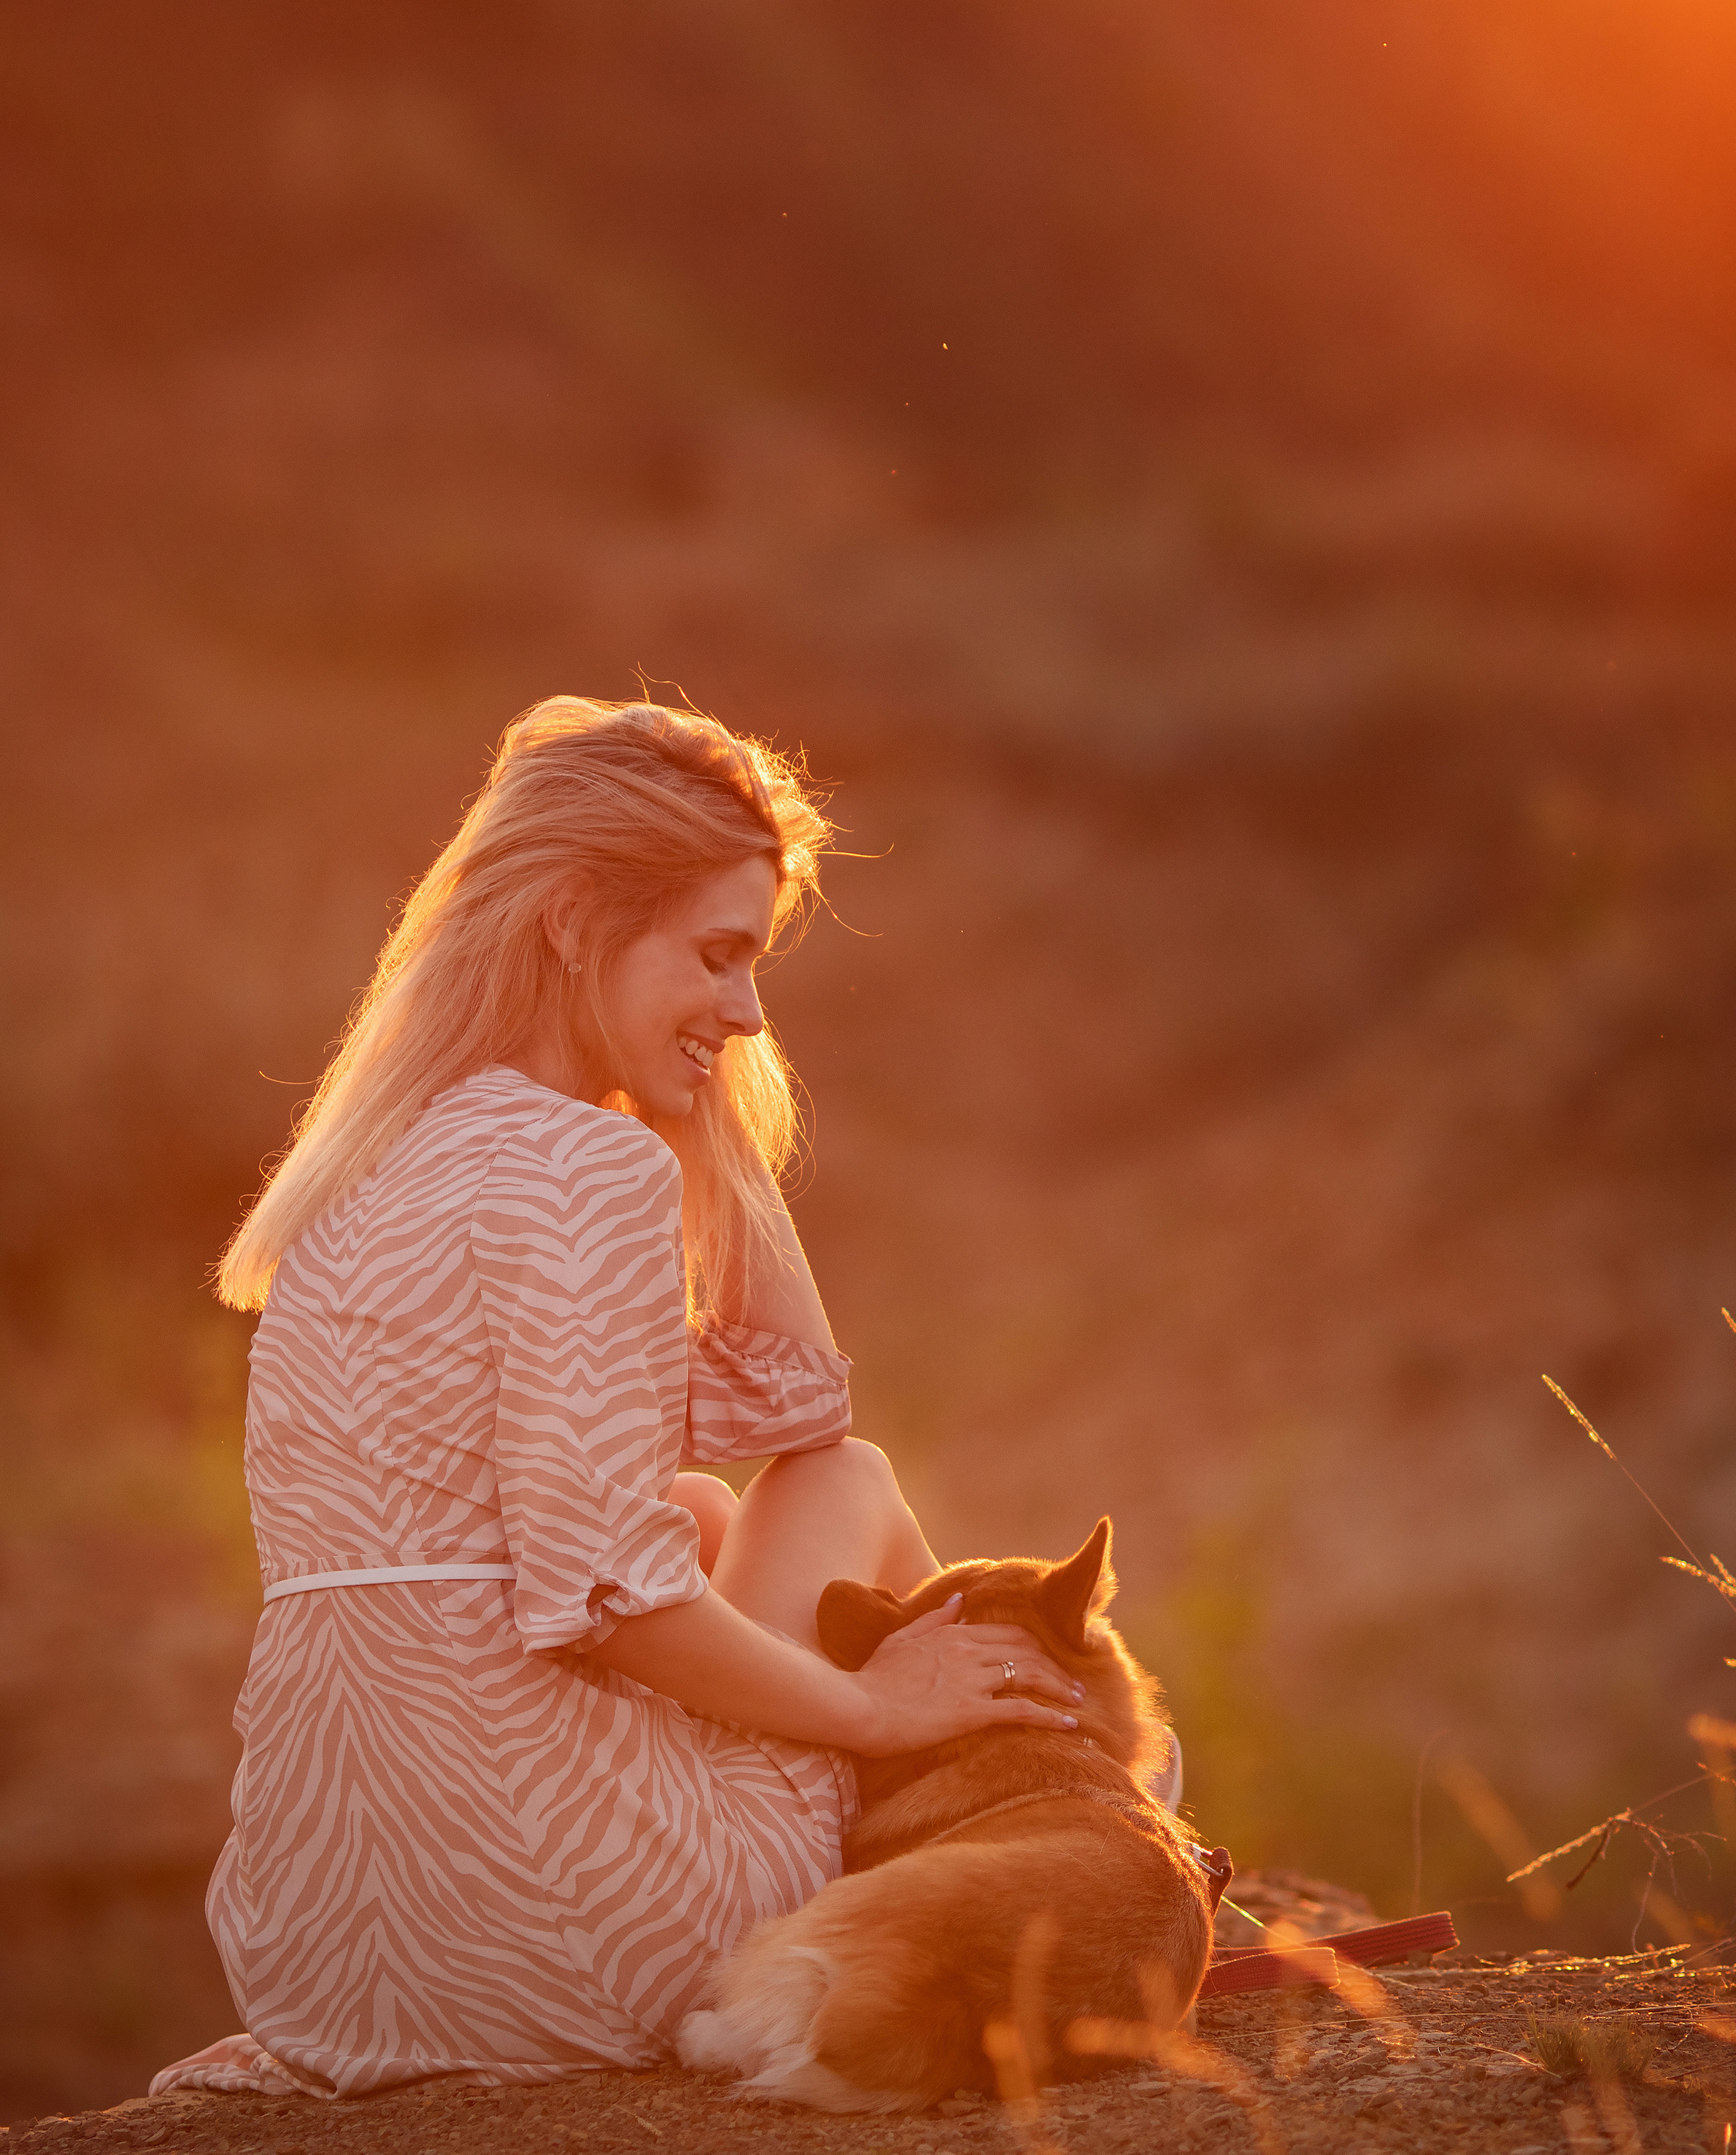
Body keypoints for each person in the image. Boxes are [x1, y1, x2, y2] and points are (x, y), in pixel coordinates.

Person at [153, 696, 1086, 2100]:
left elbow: (771, 1408)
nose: (751, 1010)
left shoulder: (356, 1182)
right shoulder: (584, 1171)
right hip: (579, 1925)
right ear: (577, 920)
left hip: (322, 1946)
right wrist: (880, 1713)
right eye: (719, 958)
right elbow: (652, 1567)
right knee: (845, 1491)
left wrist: (694, 1082)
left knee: (702, 1506)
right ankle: (1004, 1814)